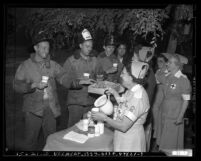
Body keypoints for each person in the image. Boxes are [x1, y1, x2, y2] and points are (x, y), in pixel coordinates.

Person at [13, 31, 69, 151]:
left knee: (51, 140)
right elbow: (16, 85)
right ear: (35, 48)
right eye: (43, 47)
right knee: (30, 142)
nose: (46, 50)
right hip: (33, 110)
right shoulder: (25, 66)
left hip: (50, 107)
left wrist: (75, 83)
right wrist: (32, 85)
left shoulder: (52, 64)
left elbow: (63, 76)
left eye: (48, 47)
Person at [92, 61, 150, 152]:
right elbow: (125, 104)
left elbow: (124, 126)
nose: (121, 76)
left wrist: (105, 118)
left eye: (123, 73)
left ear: (131, 77)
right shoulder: (131, 90)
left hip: (131, 141)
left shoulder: (138, 98)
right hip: (122, 137)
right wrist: (114, 93)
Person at [62, 29, 100, 128]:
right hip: (75, 103)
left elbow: (100, 76)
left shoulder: (95, 60)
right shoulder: (71, 61)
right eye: (87, 46)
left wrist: (101, 80)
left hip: (91, 102)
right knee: (73, 130)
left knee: (88, 130)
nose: (90, 49)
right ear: (80, 45)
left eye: (91, 46)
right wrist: (80, 82)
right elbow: (65, 81)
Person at [156, 53, 191, 150]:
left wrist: (180, 117)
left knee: (171, 141)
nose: (167, 64)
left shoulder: (183, 80)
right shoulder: (167, 76)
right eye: (167, 62)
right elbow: (157, 76)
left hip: (175, 114)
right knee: (164, 139)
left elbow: (186, 101)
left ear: (177, 65)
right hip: (164, 112)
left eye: (170, 62)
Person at [131, 44, 157, 151]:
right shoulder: (147, 71)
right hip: (143, 117)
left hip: (142, 118)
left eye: (134, 56)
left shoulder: (146, 74)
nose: (132, 59)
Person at [152, 53, 169, 148]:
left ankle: (158, 135)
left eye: (161, 61)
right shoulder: (158, 71)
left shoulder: (168, 73)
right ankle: (155, 133)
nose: (159, 63)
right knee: (154, 110)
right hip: (156, 95)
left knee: (156, 110)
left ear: (166, 63)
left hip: (162, 98)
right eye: (158, 61)